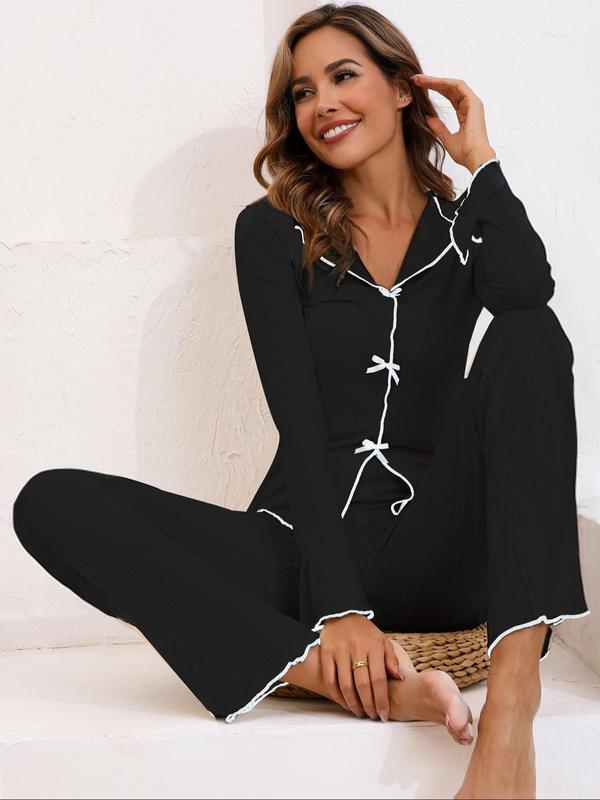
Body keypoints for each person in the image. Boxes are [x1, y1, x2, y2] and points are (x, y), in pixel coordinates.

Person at [12, 4, 590, 798]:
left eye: (344, 76)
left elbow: (526, 293)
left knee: (531, 335)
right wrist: (338, 606)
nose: (322, 104)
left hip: (436, 547)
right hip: (302, 546)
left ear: (402, 88)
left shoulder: (466, 228)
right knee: (51, 502)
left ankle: (512, 715)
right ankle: (340, 679)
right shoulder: (273, 232)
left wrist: (480, 160)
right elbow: (299, 419)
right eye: (302, 92)